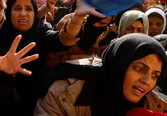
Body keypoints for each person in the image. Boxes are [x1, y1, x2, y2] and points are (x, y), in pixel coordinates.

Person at [0, 0, 106, 115]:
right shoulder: (2, 32)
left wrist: (78, 18)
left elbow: (63, 40)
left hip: (36, 105)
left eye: (29, 9)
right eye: (17, 8)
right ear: (9, 13)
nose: (23, 13)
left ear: (35, 14)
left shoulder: (41, 32)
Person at [35, 33, 167, 115]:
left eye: (155, 75)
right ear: (119, 64)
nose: (147, 80)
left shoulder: (155, 106)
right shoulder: (66, 93)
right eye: (139, 68)